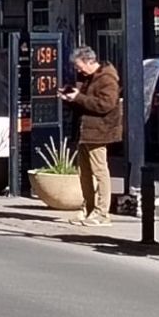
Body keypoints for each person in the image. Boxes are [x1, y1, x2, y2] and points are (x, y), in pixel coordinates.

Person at [61, 45, 122, 226]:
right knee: (84, 172)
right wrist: (70, 99)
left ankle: (102, 213)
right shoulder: (87, 78)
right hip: (85, 131)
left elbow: (105, 105)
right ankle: (88, 208)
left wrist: (78, 98)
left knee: (100, 171)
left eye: (79, 65)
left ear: (89, 61)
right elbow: (85, 104)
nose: (77, 69)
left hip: (99, 132)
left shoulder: (107, 79)